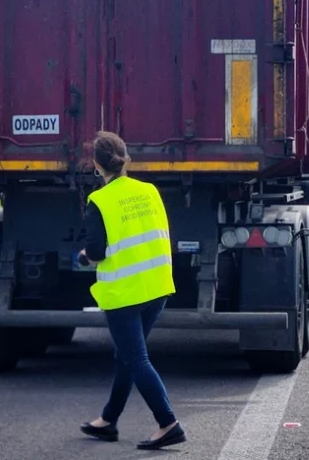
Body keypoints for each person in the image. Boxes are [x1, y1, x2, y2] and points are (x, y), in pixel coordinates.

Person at [77, 131, 185, 451]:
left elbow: (96, 251)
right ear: (124, 158)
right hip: (157, 287)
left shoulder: (100, 200)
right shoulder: (149, 191)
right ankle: (108, 420)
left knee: (136, 358)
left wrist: (84, 257)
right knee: (126, 356)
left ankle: (168, 423)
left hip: (125, 292)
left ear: (97, 165)